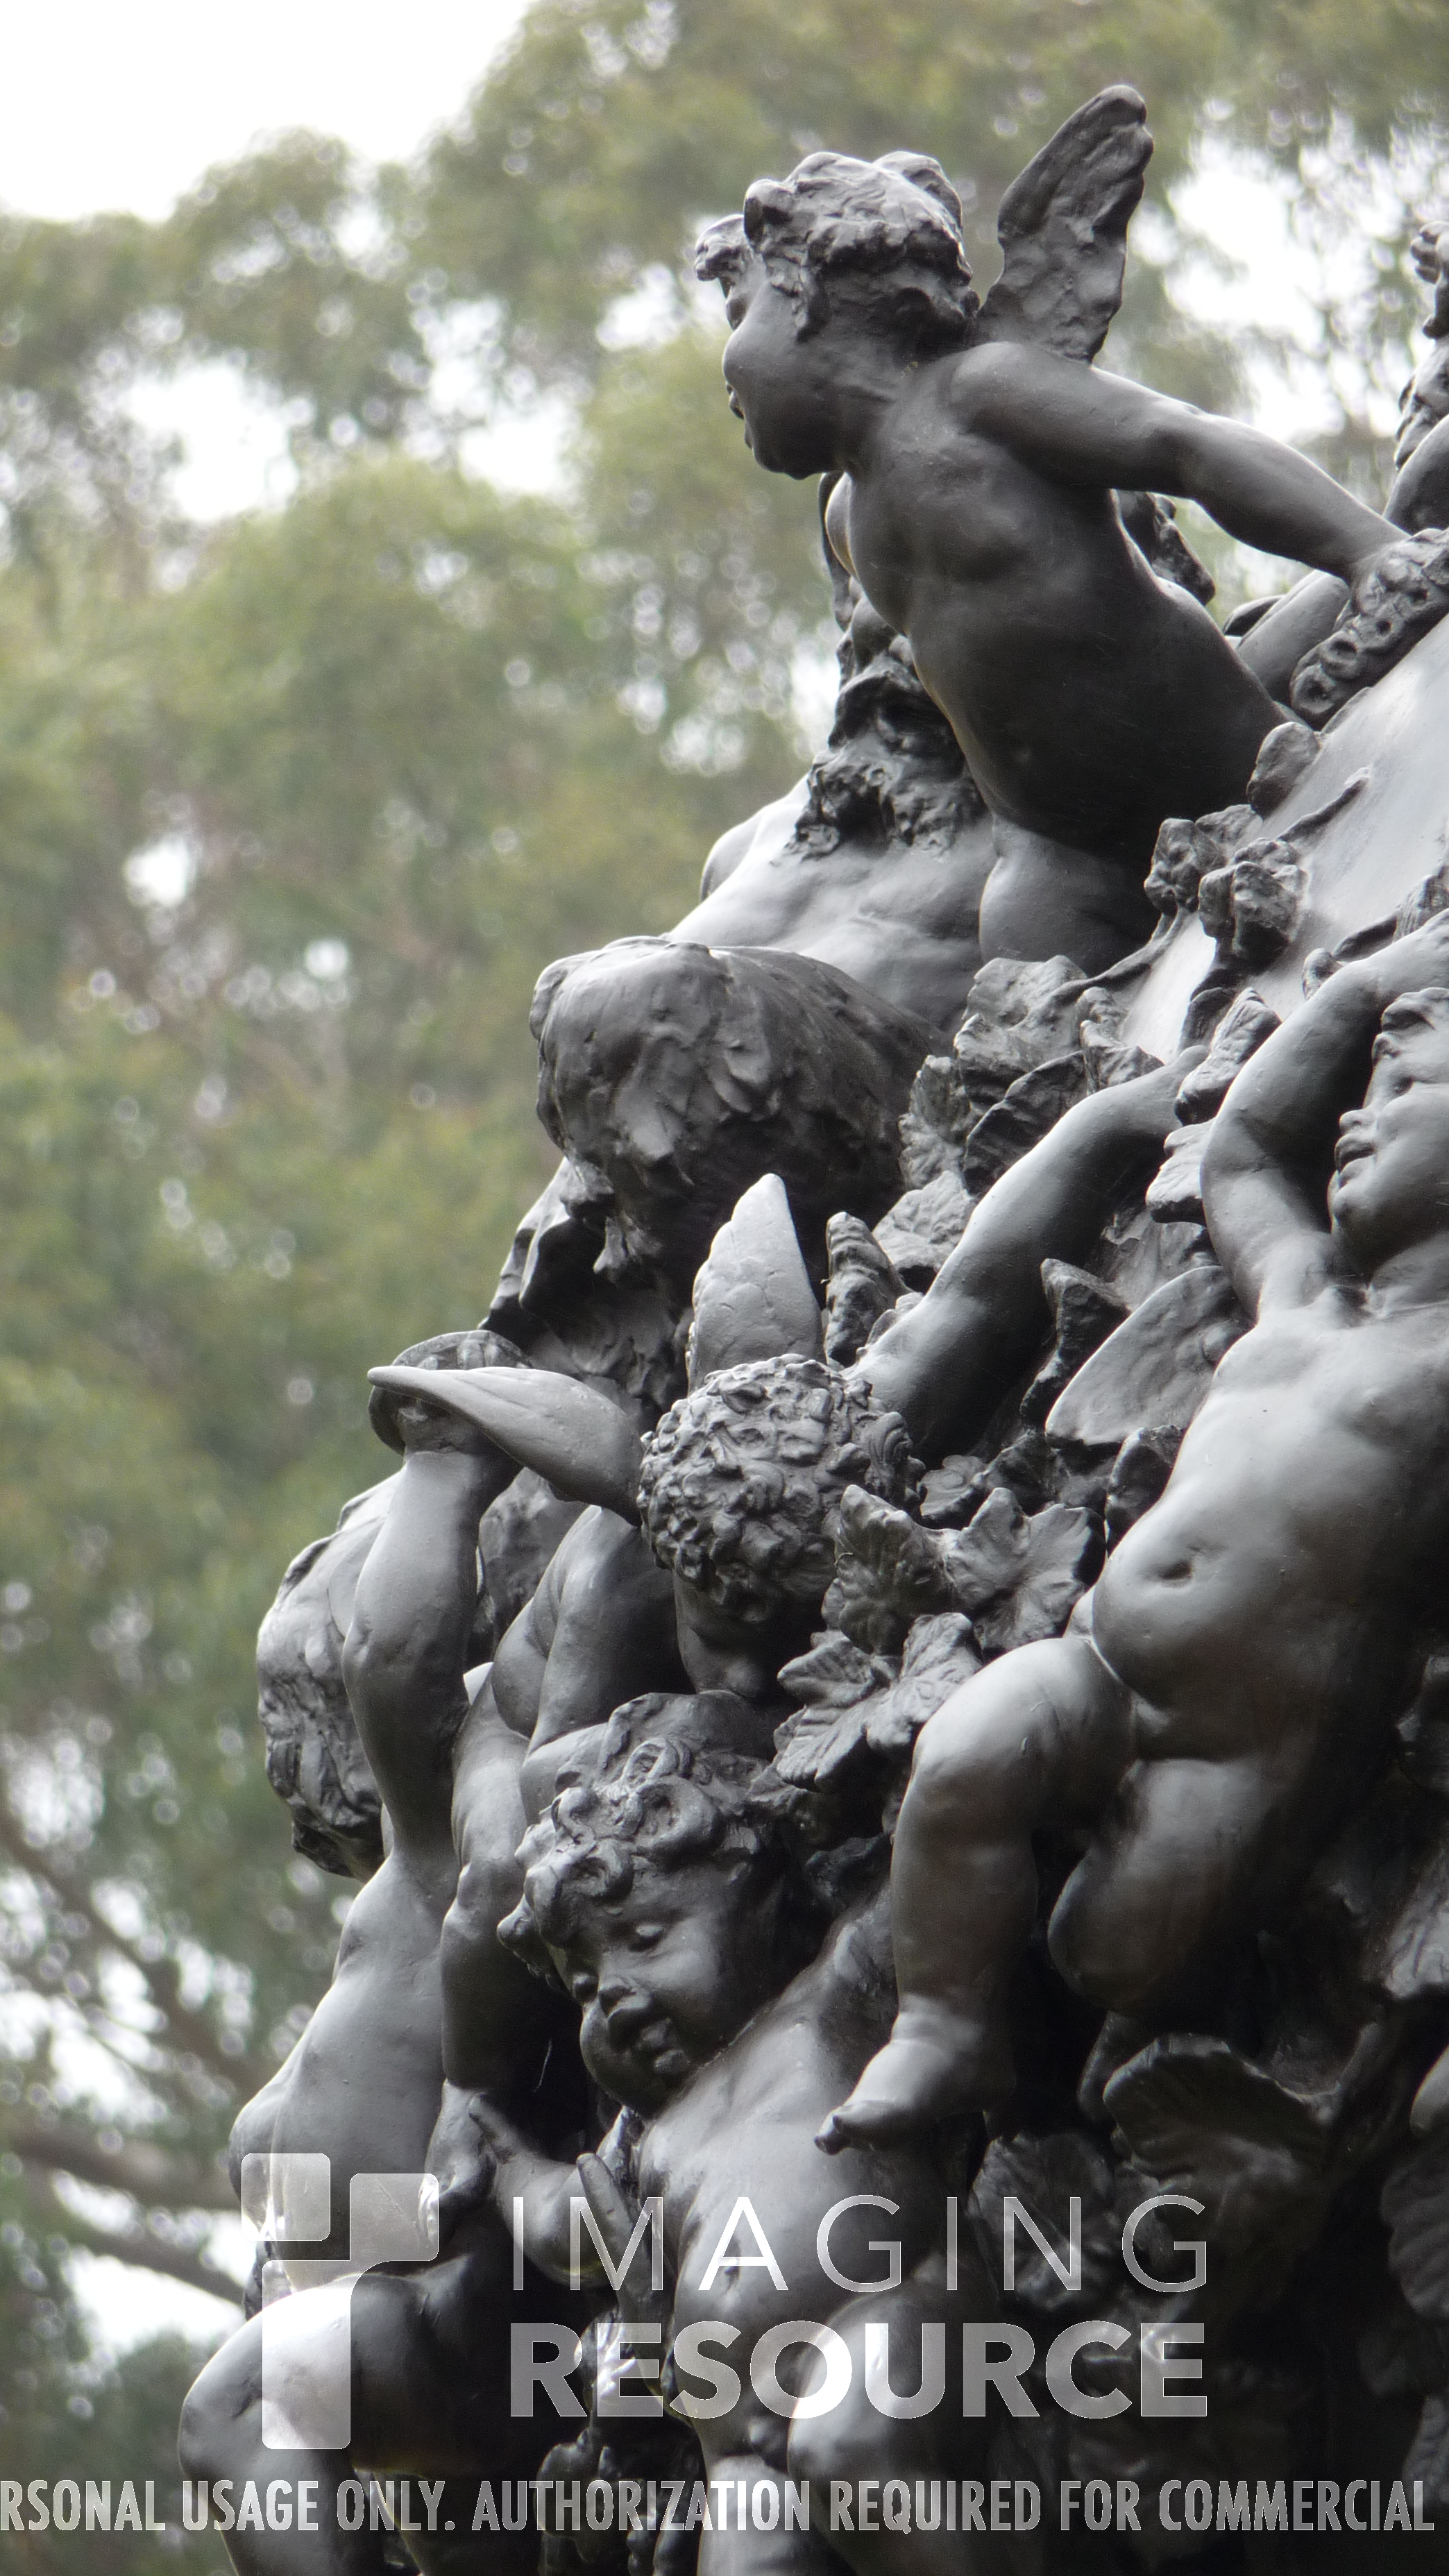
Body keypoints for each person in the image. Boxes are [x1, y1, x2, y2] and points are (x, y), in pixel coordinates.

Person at [820, 910, 1449, 2149]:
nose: (1353, 1119)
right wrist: (1366, 989)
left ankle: (1105, 2068)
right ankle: (941, 2028)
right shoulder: (1303, 1295)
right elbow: (1244, 1153)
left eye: (1404, 1090)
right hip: (1100, 1663)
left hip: (1248, 1754)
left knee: (1112, 1955)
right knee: (964, 1760)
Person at [700, 99, 1407, 973]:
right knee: (1024, 999)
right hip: (1059, 850)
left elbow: (1184, 443)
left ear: (807, 298)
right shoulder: (848, 517)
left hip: (1199, 742)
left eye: (739, 313)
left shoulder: (982, 395)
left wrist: (1369, 551)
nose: (725, 377)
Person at [472, 1710, 944, 2572]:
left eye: (646, 1938)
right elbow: (563, 2228)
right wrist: (503, 2160)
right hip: (735, 2443)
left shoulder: (834, 1998)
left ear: (759, 1890)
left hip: (882, 2334)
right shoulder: (650, 2140)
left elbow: (935, 1837)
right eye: (586, 1986)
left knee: (855, 2452)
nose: (613, 1995)